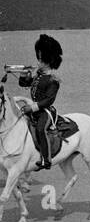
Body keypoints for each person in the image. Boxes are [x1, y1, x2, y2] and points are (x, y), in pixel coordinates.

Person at [17, 34, 64, 170]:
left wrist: (32, 108)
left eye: (41, 60)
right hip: (35, 109)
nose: (38, 62)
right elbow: (25, 84)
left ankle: (46, 159)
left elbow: (48, 100)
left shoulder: (53, 80)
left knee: (40, 129)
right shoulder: (39, 75)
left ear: (48, 61)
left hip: (46, 112)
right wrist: (23, 75)